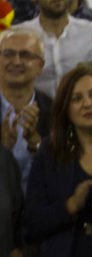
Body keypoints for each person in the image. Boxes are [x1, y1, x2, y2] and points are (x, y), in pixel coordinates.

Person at [24, 67, 92, 257]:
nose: (87, 104)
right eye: (76, 99)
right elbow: (32, 223)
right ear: (66, 109)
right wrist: (71, 205)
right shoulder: (50, 151)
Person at [0, 28, 52, 189]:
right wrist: (3, 151)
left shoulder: (56, 110)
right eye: (8, 54)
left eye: (26, 55)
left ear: (40, 66)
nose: (16, 62)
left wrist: (36, 145)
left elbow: (62, 175)